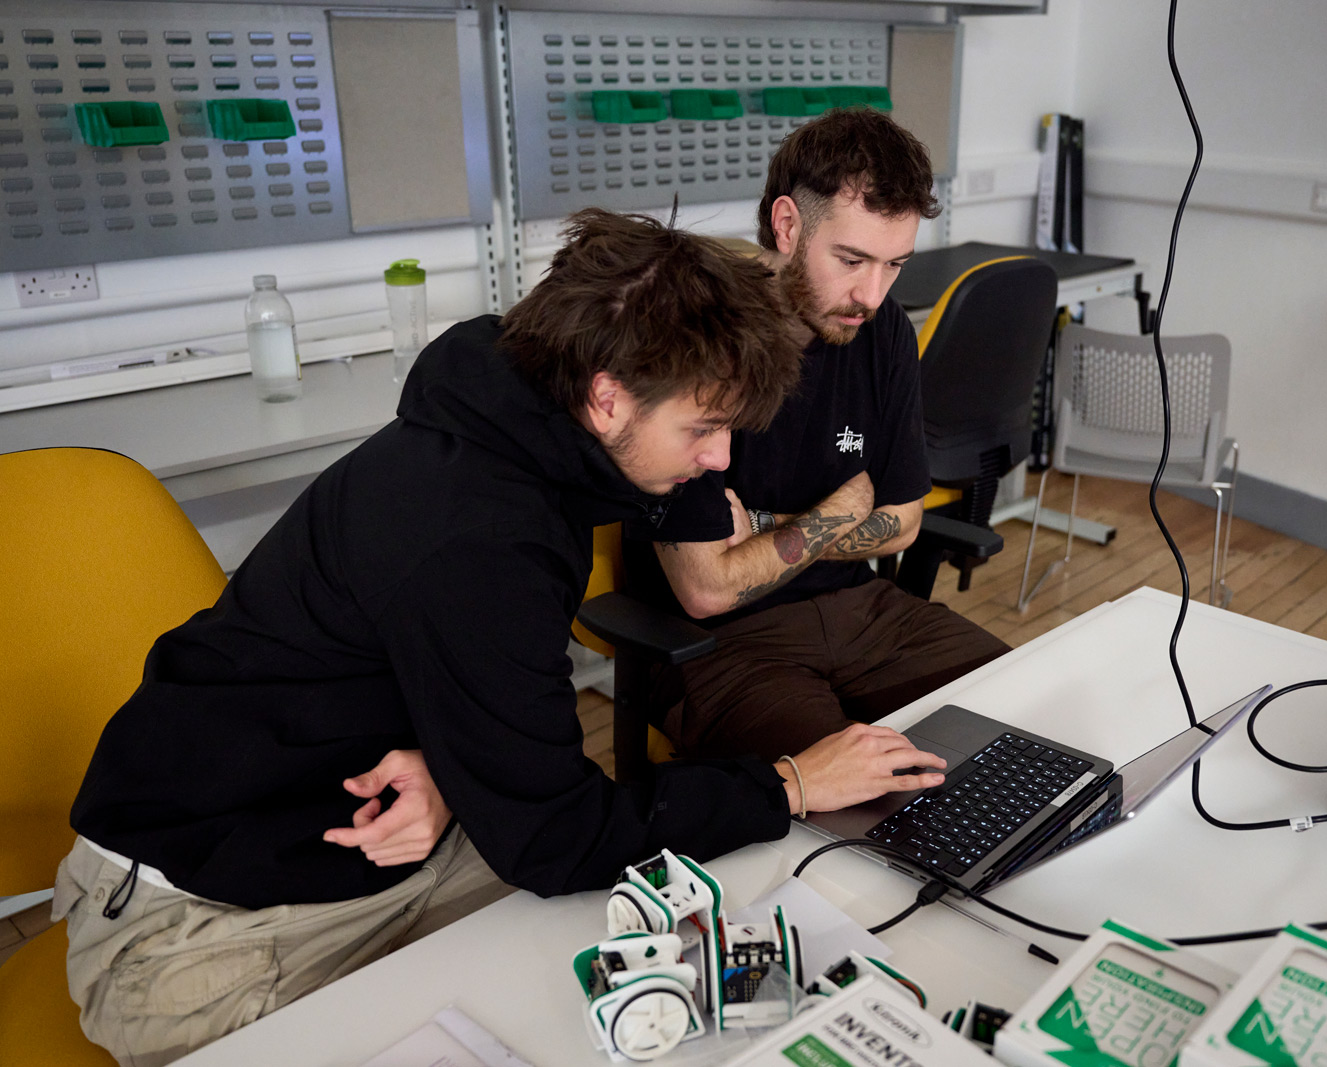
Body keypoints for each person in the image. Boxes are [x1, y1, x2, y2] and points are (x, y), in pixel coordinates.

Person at [56, 209, 948, 1067]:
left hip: (352, 827)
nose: (719, 459)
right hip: (195, 929)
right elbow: (555, 837)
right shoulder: (479, 532)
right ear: (606, 397)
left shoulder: (517, 418)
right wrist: (791, 780)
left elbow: (445, 689)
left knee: (655, 945)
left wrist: (450, 765)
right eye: (703, 428)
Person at [622, 107, 1013, 762]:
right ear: (787, 225)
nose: (872, 293)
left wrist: (771, 526)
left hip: (862, 611)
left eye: (894, 265)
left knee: (1018, 721)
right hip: (719, 643)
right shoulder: (697, 340)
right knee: (852, 794)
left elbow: (905, 521)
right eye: (852, 259)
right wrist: (841, 509)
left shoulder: (883, 331)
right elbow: (706, 588)